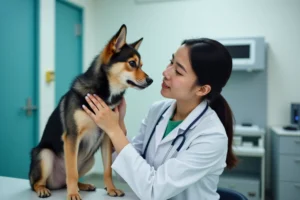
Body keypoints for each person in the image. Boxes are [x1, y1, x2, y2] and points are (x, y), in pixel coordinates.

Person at [82, 38, 238, 200]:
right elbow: (127, 175)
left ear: (202, 89)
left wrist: (113, 131)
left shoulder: (211, 137)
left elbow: (153, 191)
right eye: (171, 62)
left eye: (178, 71)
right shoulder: (158, 110)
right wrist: (119, 124)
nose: (166, 72)